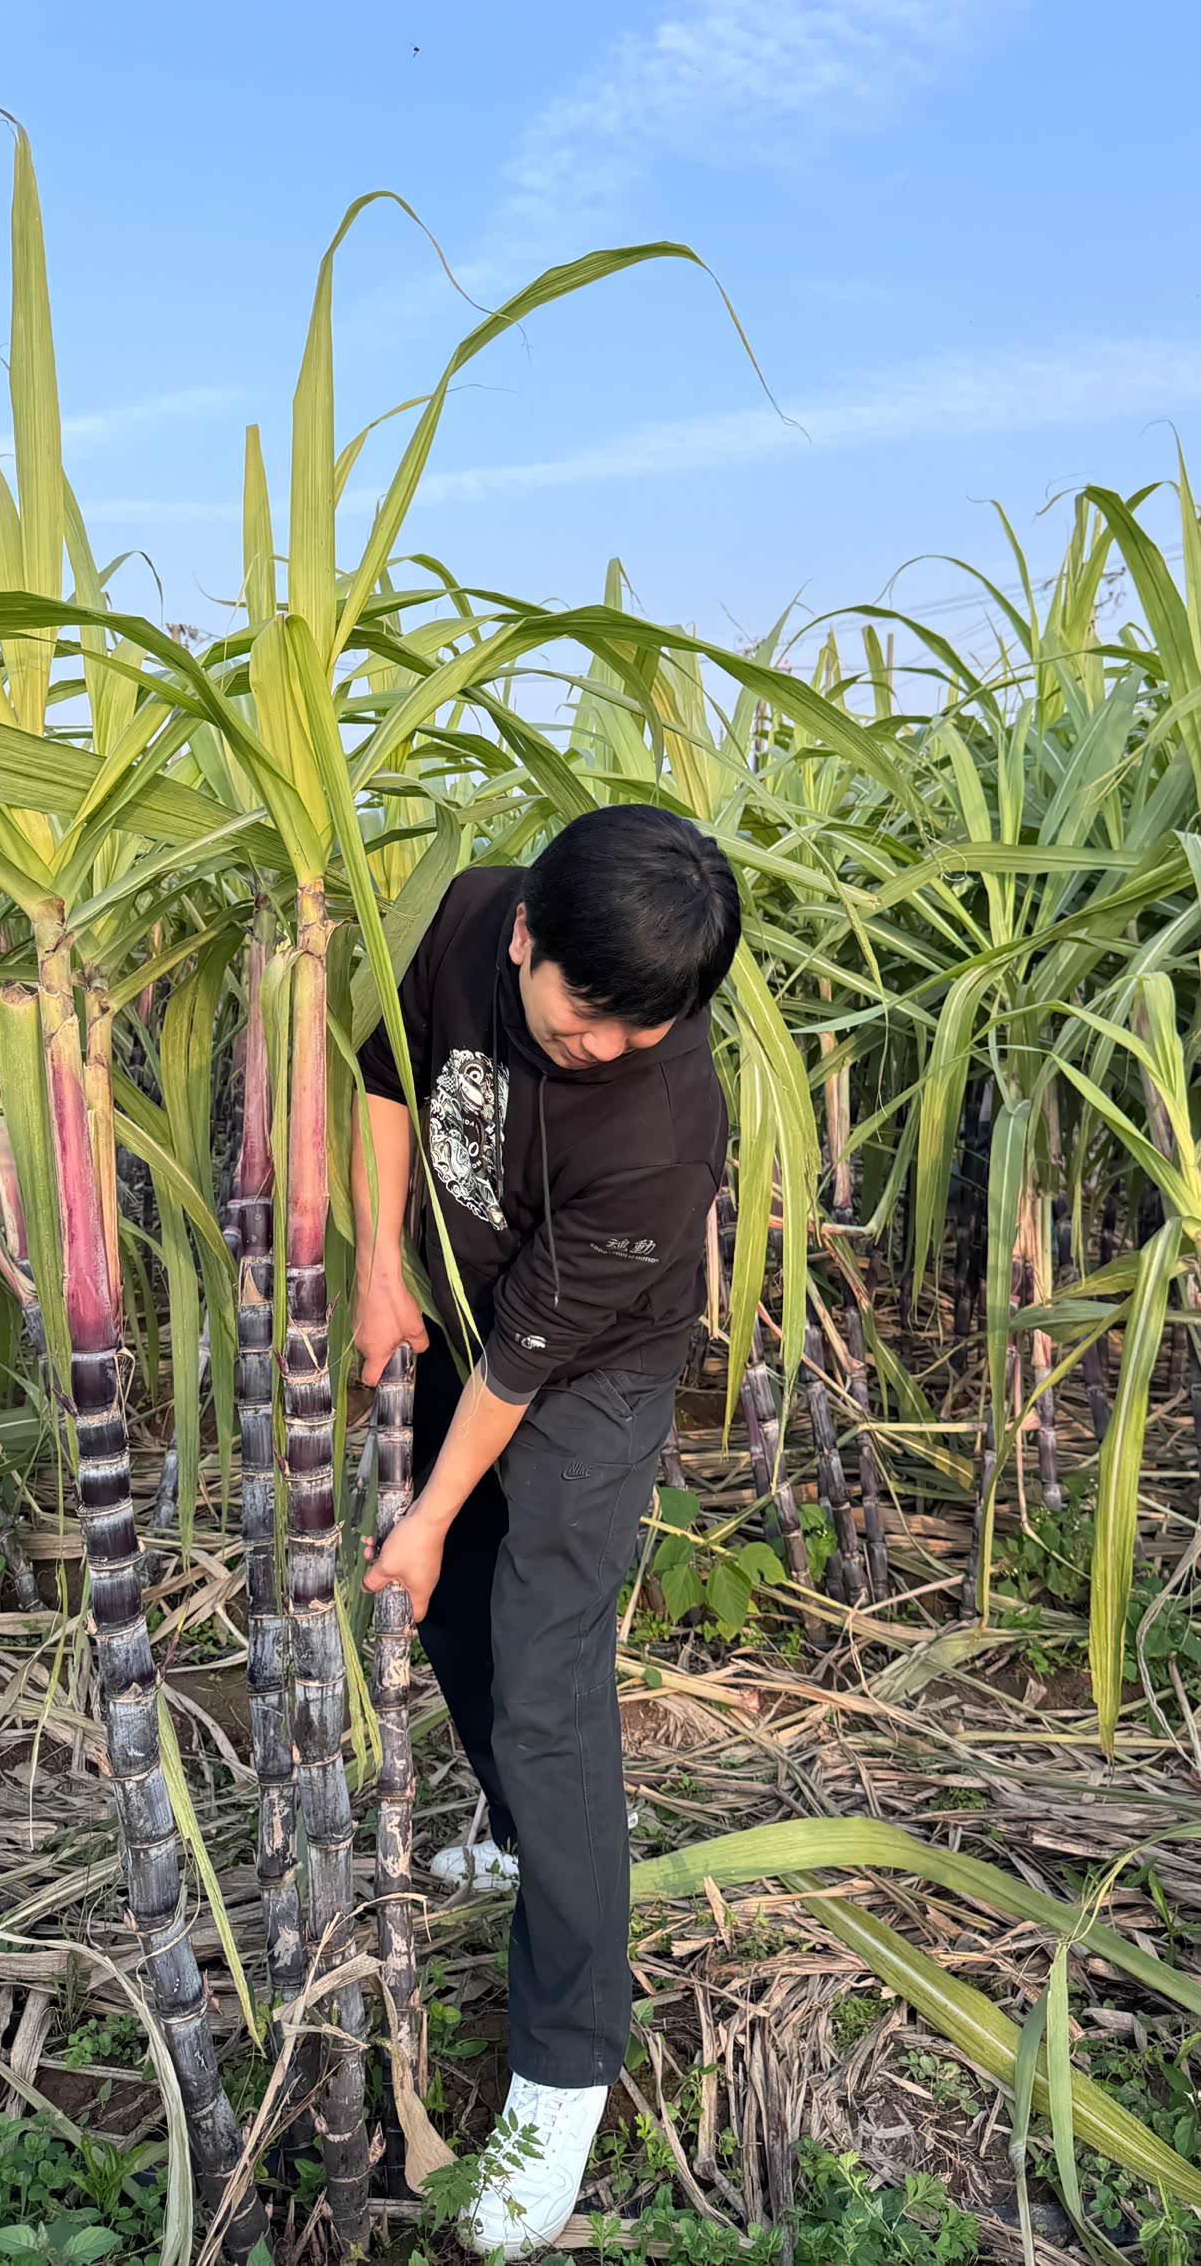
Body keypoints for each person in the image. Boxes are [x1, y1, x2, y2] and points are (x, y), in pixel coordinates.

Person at [353, 803, 741, 2256]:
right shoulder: (466, 913)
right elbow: (385, 1075)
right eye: (587, 1020)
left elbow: (528, 1355)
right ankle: (528, 1837)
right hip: (461, 1306)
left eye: (642, 1030)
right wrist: (378, 1264)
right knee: (452, 1612)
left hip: (591, 1366)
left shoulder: (661, 1121)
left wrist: (431, 1509)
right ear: (524, 937)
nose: (607, 1050)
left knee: (545, 1672)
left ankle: (567, 2067)